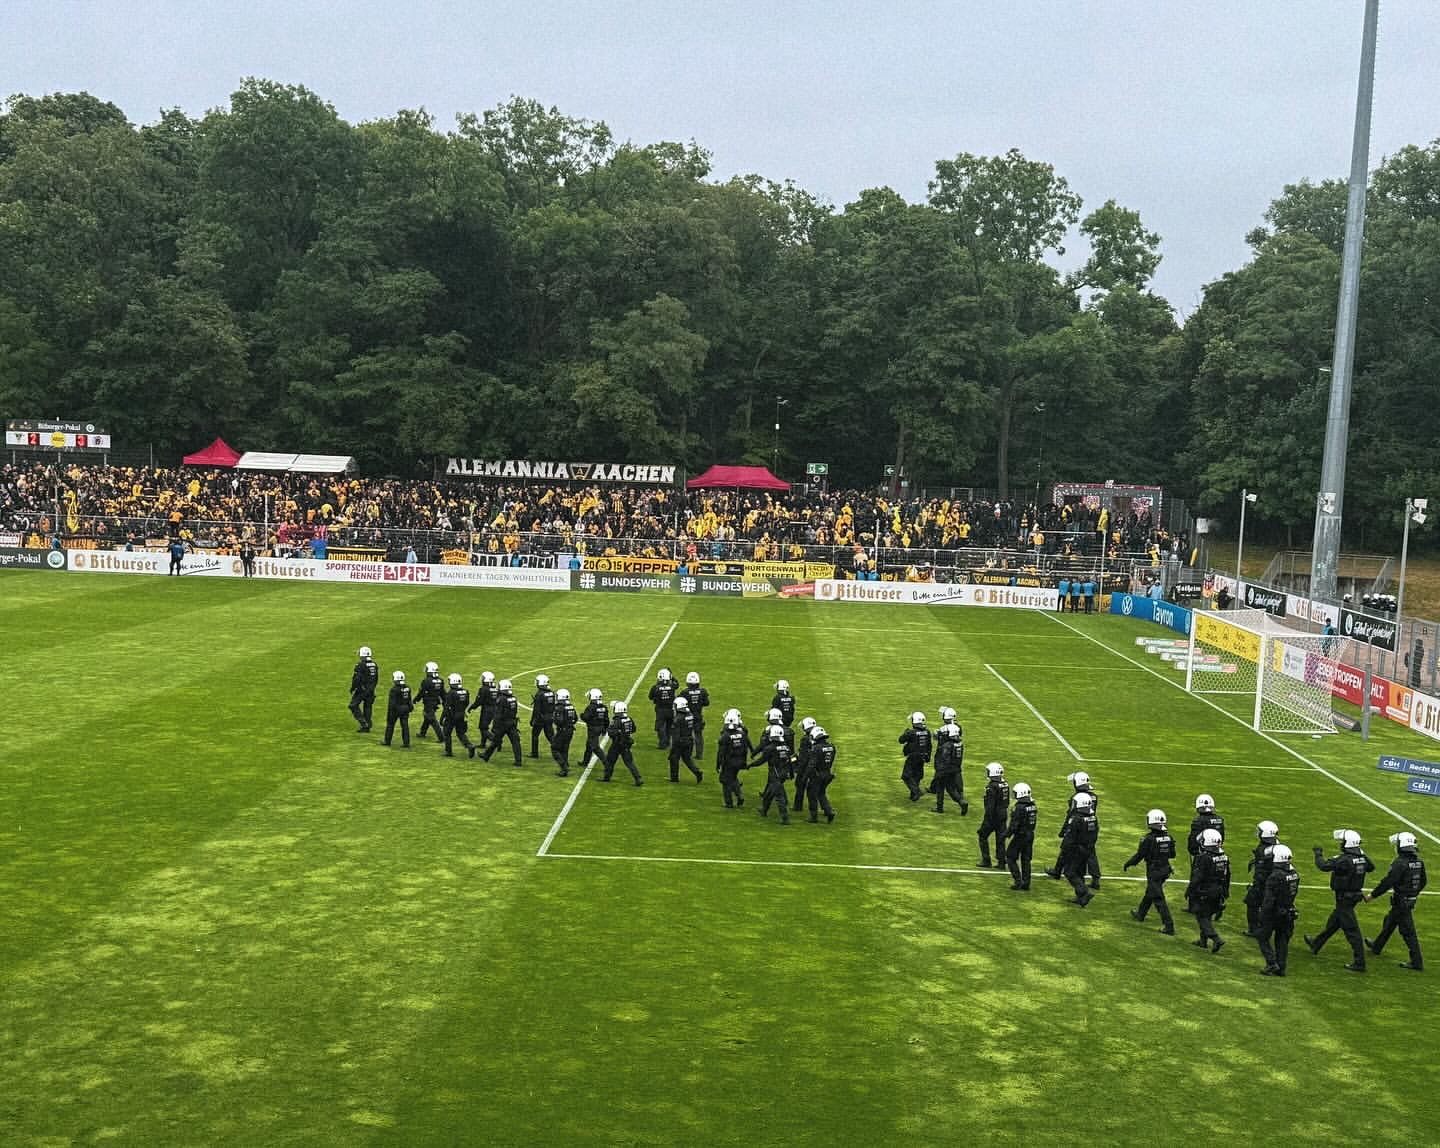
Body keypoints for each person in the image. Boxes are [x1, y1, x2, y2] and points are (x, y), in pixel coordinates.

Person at [1305, 829, 1375, 971]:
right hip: (1354, 896)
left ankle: (1360, 963)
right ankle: (1316, 943)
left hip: (1344, 898)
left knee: (1352, 931)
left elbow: (1323, 866)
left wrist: (1318, 854)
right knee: (1334, 922)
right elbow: (1371, 867)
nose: (1341, 844)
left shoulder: (1344, 859)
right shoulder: (1362, 858)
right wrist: (1360, 853)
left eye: (1343, 842)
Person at [1366, 831, 1427, 971]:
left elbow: (1388, 882)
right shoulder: (1418, 862)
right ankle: (1376, 946)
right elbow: (1423, 881)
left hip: (1401, 902)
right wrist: (1413, 894)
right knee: (1390, 922)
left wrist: (1373, 895)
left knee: (1408, 932)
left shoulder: (1399, 863)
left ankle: (1417, 962)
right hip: (1409, 900)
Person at [1124, 809, 1177, 935]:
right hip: (1165, 870)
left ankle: (1169, 926)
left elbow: (1139, 856)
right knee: (1151, 891)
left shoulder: (1147, 839)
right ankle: (1140, 914)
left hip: (1154, 871)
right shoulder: (1169, 838)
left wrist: (1129, 863)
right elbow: (1172, 854)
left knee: (1158, 898)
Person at [1255, 843, 1301, 976]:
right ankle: (1281, 967)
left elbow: (1269, 900)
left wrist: (1262, 914)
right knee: (1282, 940)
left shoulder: (1275, 876)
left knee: (1262, 937)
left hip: (1273, 913)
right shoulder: (1294, 873)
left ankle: (1271, 963)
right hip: (1288, 911)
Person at [1045, 771, 1099, 885]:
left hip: (1077, 827)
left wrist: (1064, 830)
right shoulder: (1094, 796)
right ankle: (1096, 879)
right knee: (1091, 852)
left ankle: (1057, 871)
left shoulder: (1077, 798)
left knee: (1065, 849)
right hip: (1091, 826)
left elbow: (1071, 815)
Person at [1186, 828, 1231, 952]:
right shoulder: (1224, 857)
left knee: (1201, 917)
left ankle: (1216, 939)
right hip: (1219, 890)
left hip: (1205, 891)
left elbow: (1197, 877)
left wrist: (1190, 890)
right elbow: (1228, 876)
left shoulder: (1203, 858)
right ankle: (1202, 941)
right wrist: (1226, 891)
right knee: (1207, 914)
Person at [1242, 820, 1281, 937]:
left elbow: (1262, 870)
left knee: (1251, 902)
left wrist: (1256, 884)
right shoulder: (1277, 844)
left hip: (1264, 882)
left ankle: (1254, 929)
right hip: (1275, 882)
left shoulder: (1263, 849)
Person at [1061, 791, 1099, 906]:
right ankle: (1080, 898)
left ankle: (1084, 892)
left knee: (1069, 872)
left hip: (1076, 850)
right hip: (1087, 849)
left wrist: (1065, 849)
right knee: (1080, 872)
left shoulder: (1076, 819)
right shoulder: (1093, 817)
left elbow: (1070, 836)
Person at [753, 723, 794, 825]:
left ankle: (785, 819)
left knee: (779, 797)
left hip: (775, 774)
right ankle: (764, 810)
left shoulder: (769, 748)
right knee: (769, 793)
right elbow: (790, 761)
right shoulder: (786, 747)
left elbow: (761, 761)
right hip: (783, 773)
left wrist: (750, 765)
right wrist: (791, 773)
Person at [481, 679, 523, 767]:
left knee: (496, 741)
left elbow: (498, 715)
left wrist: (495, 726)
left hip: (503, 724)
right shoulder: (513, 698)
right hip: (512, 723)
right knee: (515, 742)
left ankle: (486, 755)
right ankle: (518, 761)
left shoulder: (501, 699)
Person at [601, 699, 643, 785]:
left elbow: (611, 733)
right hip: (626, 743)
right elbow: (634, 729)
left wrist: (612, 730)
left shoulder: (616, 720)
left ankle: (607, 777)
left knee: (610, 761)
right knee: (629, 762)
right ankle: (638, 778)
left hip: (617, 744)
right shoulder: (629, 719)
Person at [715, 709, 751, 808]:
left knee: (724, 781)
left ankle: (729, 803)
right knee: (733, 778)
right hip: (739, 762)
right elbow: (745, 749)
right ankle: (739, 795)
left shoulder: (725, 736)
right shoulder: (742, 734)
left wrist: (718, 764)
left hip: (728, 762)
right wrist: (744, 762)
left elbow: (720, 753)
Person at [1005, 782, 1038, 890]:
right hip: (1030, 834)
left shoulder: (1019, 807)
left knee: (1010, 856)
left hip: (1020, 836)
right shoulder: (1032, 805)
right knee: (1026, 859)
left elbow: (1014, 824)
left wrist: (1007, 834)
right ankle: (1026, 882)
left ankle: (1018, 880)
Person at [931, 720, 968, 814]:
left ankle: (939, 808)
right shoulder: (959, 743)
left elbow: (944, 759)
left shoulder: (947, 745)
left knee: (940, 788)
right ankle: (961, 801)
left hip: (945, 770)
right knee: (951, 789)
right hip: (954, 769)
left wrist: (939, 771)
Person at [977, 762, 1010, 868]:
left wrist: (987, 819)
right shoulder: (1005, 784)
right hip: (1003, 814)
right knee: (1000, 839)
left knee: (982, 835)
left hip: (993, 816)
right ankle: (1001, 862)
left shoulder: (991, 786)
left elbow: (990, 806)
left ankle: (986, 860)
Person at [898, 711, 932, 802]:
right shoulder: (927, 732)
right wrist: (928, 756)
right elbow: (929, 745)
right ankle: (913, 796)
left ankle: (916, 792)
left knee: (906, 776)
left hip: (912, 757)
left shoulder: (911, 732)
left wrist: (906, 732)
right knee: (917, 775)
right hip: (922, 757)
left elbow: (901, 740)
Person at [805, 726, 836, 823]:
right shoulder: (832, 747)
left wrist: (805, 776)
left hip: (817, 775)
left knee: (811, 794)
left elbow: (812, 765)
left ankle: (813, 817)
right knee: (821, 793)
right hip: (827, 774)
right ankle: (829, 811)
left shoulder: (816, 748)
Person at [668, 696, 703, 783]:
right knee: (687, 759)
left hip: (680, 741)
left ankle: (674, 778)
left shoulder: (678, 718)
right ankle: (697, 772)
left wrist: (673, 747)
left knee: (674, 759)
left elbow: (676, 735)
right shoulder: (690, 715)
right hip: (689, 740)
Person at [442, 672, 476, 759]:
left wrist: (442, 717)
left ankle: (448, 751)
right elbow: (467, 703)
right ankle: (469, 745)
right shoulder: (465, 691)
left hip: (451, 716)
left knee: (447, 733)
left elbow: (447, 707)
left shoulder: (451, 693)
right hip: (461, 715)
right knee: (461, 733)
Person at [1188, 794, 1225, 869]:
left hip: (1203, 856)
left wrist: (1194, 852)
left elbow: (1194, 842)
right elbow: (1222, 837)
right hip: (1218, 854)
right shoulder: (1220, 820)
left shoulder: (1198, 821)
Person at [349, 645, 379, 732]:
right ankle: (367, 725)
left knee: (353, 705)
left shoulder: (360, 665)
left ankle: (364, 723)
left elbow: (357, 678)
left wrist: (353, 688)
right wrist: (372, 688)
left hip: (362, 689)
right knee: (368, 707)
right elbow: (376, 678)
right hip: (371, 689)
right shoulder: (374, 665)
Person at [681, 672, 710, 759]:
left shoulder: (685, 692)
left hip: (687, 716)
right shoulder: (703, 691)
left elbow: (679, 703)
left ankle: (686, 754)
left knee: (686, 736)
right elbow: (707, 703)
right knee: (698, 735)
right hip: (698, 716)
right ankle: (699, 754)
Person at [551, 687, 578, 777]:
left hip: (563, 731)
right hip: (570, 730)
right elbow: (576, 718)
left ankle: (564, 767)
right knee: (565, 749)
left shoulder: (560, 707)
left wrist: (555, 719)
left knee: (554, 748)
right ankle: (566, 766)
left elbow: (559, 721)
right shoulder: (571, 706)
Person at [416, 661, 446, 741]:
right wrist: (445, 702)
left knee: (432, 719)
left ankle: (441, 737)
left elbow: (422, 692)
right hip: (435, 702)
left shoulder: (426, 681)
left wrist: (416, 699)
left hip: (428, 703)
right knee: (427, 717)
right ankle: (422, 732)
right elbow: (443, 693)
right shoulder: (440, 680)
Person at [792, 716, 818, 809]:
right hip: (814, 766)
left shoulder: (805, 739)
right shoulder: (817, 736)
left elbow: (803, 755)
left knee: (800, 784)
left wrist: (797, 766)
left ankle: (797, 806)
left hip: (805, 766)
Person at [579, 688, 608, 770]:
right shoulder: (603, 707)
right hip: (600, 728)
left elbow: (586, 717)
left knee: (595, 747)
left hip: (593, 729)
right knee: (589, 745)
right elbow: (606, 720)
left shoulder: (591, 707)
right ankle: (585, 762)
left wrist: (581, 715)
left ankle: (607, 763)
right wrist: (604, 729)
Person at [383, 670, 413, 748]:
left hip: (396, 710)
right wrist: (409, 708)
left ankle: (387, 741)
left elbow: (392, 703)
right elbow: (409, 700)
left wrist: (390, 714)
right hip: (405, 709)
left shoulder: (394, 689)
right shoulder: (407, 688)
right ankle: (406, 743)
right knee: (405, 726)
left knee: (390, 725)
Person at [648, 668, 677, 749]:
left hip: (660, 710)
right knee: (668, 727)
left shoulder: (655, 687)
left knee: (660, 727)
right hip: (670, 710)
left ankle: (662, 743)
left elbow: (650, 697)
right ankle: (667, 742)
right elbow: (677, 684)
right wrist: (672, 676)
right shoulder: (672, 686)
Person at [530, 674, 556, 759]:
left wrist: (533, 720)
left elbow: (536, 710)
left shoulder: (539, 694)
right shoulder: (551, 692)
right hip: (549, 717)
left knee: (535, 735)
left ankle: (534, 753)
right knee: (550, 736)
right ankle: (558, 750)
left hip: (540, 719)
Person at [470, 671, 499, 743]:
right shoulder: (495, 688)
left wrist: (472, 707)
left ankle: (496, 741)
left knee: (483, 728)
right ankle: (483, 743)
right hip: (495, 709)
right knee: (485, 727)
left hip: (487, 710)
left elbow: (479, 701)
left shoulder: (483, 689)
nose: (482, 679)